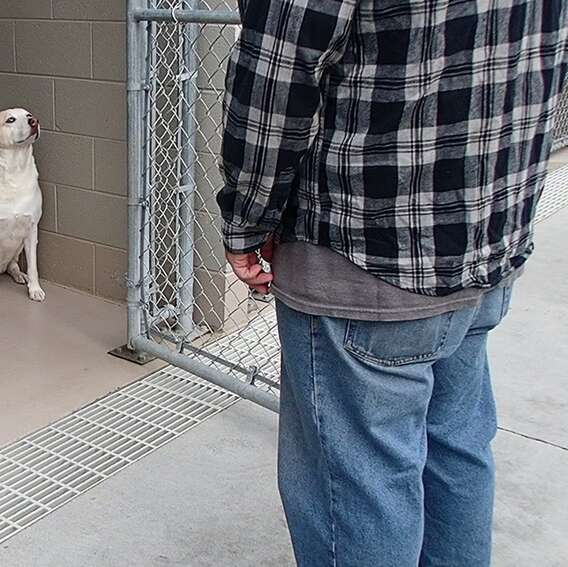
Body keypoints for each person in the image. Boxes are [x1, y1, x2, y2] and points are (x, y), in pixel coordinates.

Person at [218, 1, 567, 565]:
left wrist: (247, 219)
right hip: (486, 242)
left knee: (361, 480)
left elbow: (278, 72)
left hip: (365, 256)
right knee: (454, 448)